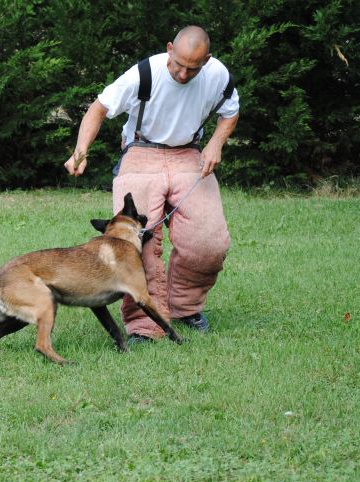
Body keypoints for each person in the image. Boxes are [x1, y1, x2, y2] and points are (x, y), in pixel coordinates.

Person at [64, 25, 239, 341]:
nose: (183, 74)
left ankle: (184, 307)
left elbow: (231, 111)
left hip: (189, 154)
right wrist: (81, 150)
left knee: (209, 243)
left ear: (207, 60)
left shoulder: (217, 75)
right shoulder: (143, 74)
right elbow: (99, 108)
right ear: (170, 48)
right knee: (132, 245)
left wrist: (216, 143)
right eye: (178, 65)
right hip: (142, 151)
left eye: (192, 69)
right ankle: (144, 324)